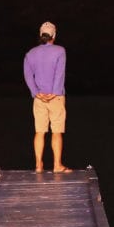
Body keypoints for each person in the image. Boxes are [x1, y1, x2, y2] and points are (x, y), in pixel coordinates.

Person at [23, 20, 68, 173]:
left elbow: (28, 76)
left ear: (41, 35)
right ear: (53, 35)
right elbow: (59, 74)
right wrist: (54, 93)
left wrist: (36, 92)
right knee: (56, 131)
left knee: (39, 131)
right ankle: (57, 165)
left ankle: (38, 165)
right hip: (56, 97)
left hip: (39, 98)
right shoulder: (60, 51)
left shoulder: (30, 53)